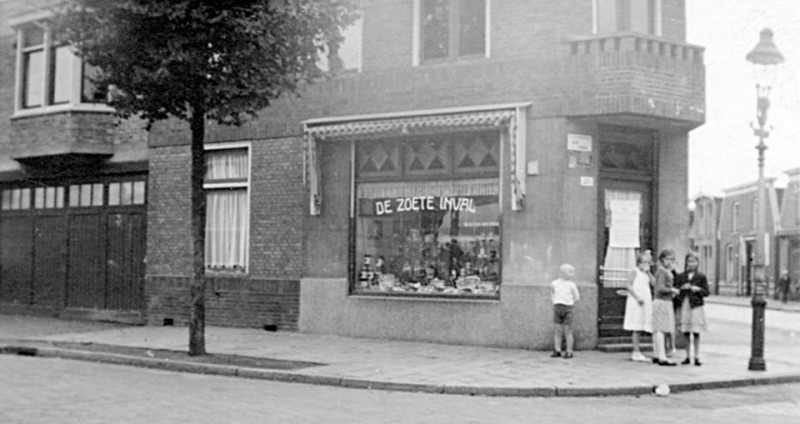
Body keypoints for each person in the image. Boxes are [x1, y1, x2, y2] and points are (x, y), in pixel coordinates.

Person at [675, 252, 710, 366]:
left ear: (698, 263)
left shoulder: (701, 276)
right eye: (689, 261)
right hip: (685, 304)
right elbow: (676, 290)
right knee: (686, 332)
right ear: (686, 263)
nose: (691, 264)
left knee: (696, 331)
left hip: (696, 306)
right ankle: (687, 356)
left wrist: (698, 289)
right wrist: (682, 288)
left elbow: (706, 292)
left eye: (694, 261)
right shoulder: (681, 276)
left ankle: (697, 356)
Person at [623, 251, 654, 362]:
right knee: (636, 327)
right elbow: (628, 285)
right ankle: (635, 351)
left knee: (641, 326)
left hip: (645, 301)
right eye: (644, 262)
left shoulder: (646, 274)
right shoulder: (634, 271)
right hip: (636, 302)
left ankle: (638, 351)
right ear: (639, 263)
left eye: (648, 263)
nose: (646, 265)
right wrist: (637, 297)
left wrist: (649, 273)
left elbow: (654, 284)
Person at [651, 249, 680, 366]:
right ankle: (662, 356)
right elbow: (659, 288)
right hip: (662, 302)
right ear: (662, 260)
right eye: (667, 259)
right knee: (661, 329)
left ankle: (657, 354)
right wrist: (672, 290)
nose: (669, 262)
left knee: (659, 329)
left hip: (664, 301)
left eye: (672, 259)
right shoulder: (662, 271)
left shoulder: (663, 271)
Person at [551, 263, 580, 359]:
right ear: (562, 273)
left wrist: (569, 302)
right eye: (570, 272)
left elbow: (577, 297)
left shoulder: (572, 285)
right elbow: (552, 293)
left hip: (568, 308)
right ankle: (557, 349)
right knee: (557, 330)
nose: (572, 274)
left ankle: (569, 351)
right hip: (557, 307)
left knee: (568, 330)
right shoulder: (555, 283)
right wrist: (555, 302)